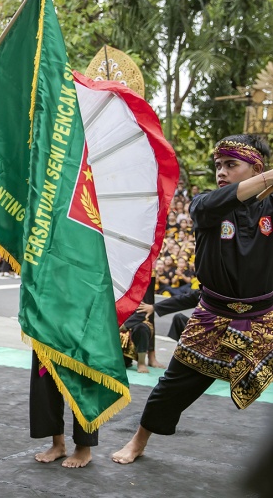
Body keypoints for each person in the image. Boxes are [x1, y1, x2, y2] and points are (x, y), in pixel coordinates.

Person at [113, 134, 273, 464]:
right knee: (171, 386)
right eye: (218, 166)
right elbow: (215, 204)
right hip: (213, 315)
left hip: (265, 317)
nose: (221, 172)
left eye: (231, 165)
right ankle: (139, 441)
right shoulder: (205, 206)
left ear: (256, 168)